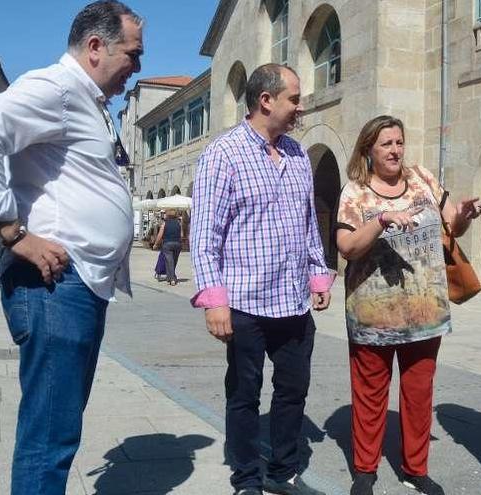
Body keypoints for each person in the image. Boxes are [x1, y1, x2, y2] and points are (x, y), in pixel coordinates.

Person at [0, 2, 143, 493]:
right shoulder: (56, 89)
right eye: (133, 55)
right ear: (96, 47)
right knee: (50, 437)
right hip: (55, 284)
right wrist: (15, 233)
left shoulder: (86, 101)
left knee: (57, 428)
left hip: (78, 286)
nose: (137, 68)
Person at [190, 63, 334, 495]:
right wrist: (214, 299)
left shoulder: (296, 155)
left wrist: (318, 275)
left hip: (292, 302)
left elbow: (310, 223)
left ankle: (282, 470)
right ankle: (247, 477)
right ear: (265, 100)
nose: (300, 106)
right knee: (244, 395)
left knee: (293, 391)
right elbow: (204, 234)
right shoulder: (224, 154)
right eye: (294, 98)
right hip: (245, 303)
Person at [335, 115, 481, 495]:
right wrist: (382, 219)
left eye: (399, 142)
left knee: (419, 395)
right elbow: (347, 247)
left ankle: (416, 469)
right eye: (386, 143)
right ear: (369, 149)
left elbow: (452, 225)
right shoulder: (355, 192)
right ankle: (365, 469)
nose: (395, 150)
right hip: (372, 316)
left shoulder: (422, 178)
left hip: (425, 312)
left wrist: (463, 218)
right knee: (369, 396)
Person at [153, 209, 182, 285]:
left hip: (167, 244)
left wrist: (156, 244)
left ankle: (172, 279)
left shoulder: (164, 224)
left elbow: (160, 235)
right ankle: (169, 277)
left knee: (169, 261)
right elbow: (182, 235)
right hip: (177, 244)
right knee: (173, 261)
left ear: (168, 215)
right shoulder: (179, 223)